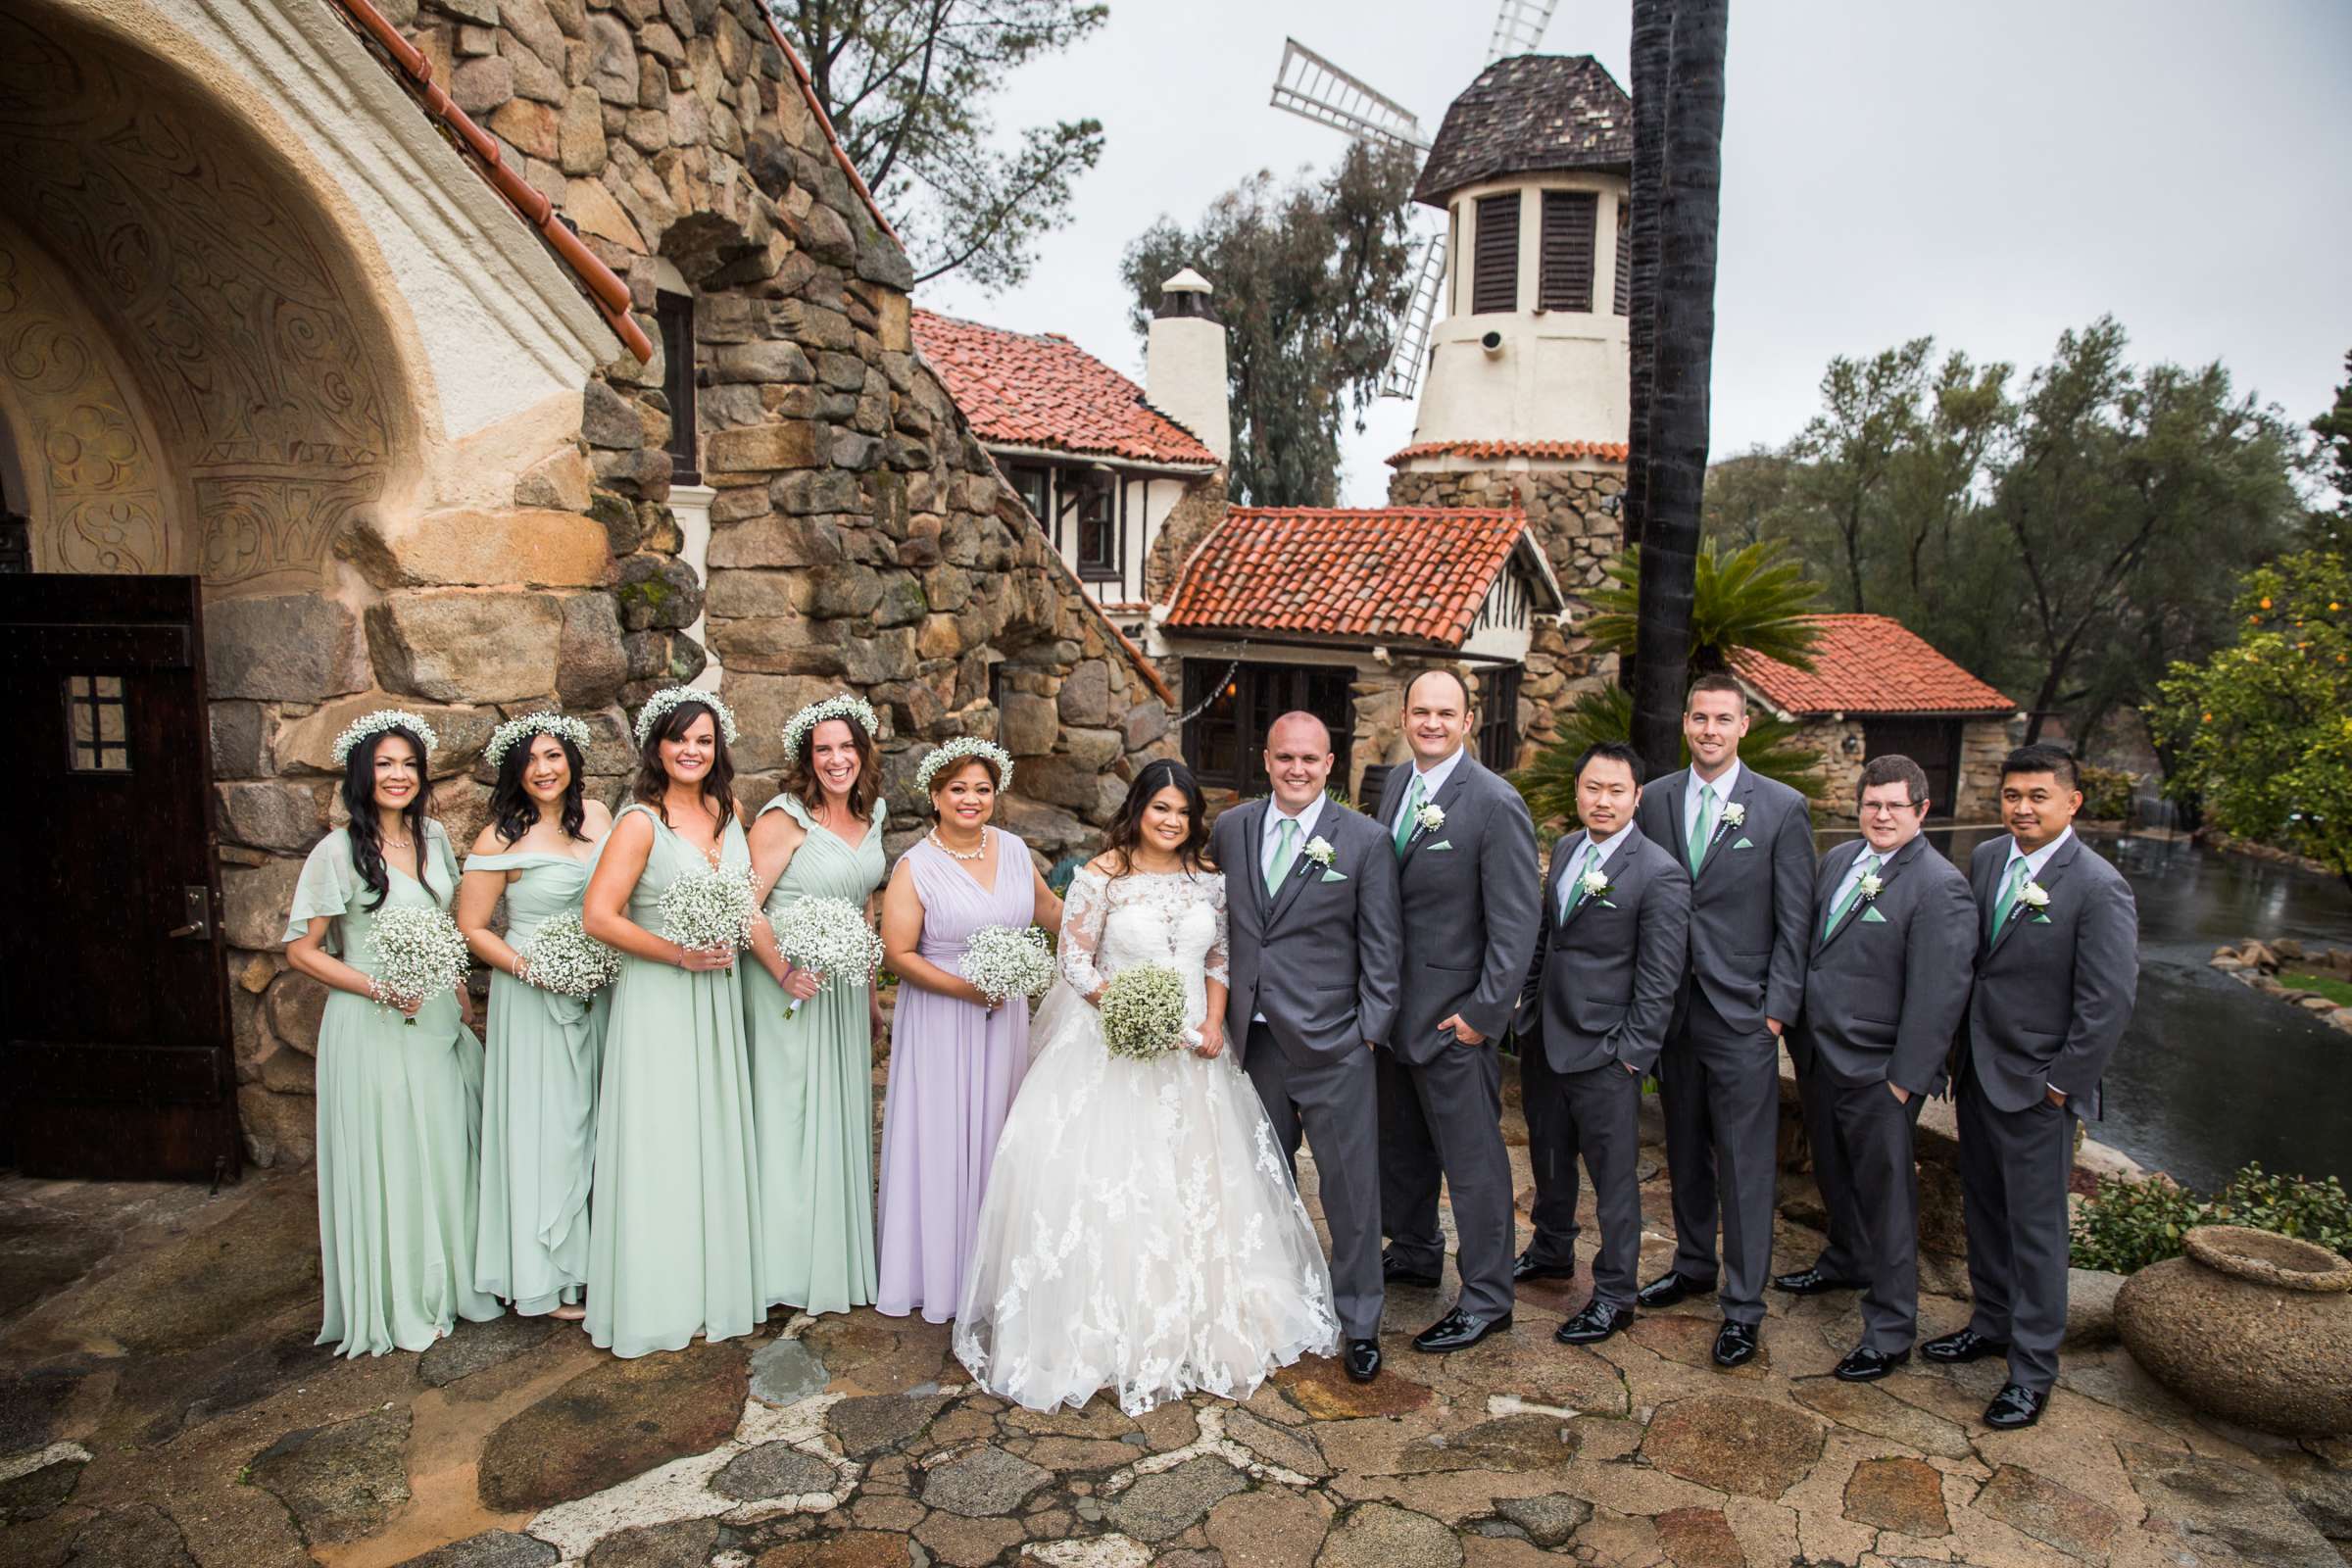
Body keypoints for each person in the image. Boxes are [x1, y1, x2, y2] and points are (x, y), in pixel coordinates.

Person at [955, 760, 1339, 1413]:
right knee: (1113, 1183)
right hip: (1113, 1047)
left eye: (1183, 813)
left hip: (1196, 1053)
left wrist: (1213, 1022)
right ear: (1139, 809)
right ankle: (1104, 1324)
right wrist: (1132, 1010)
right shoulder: (1100, 875)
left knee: (1201, 1180)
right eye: (1160, 808)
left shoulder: (1209, 880)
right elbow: (1074, 959)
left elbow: (1220, 955)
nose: (1170, 821)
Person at [1927, 745, 2136, 1429]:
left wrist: (2060, 1087)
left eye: (2038, 796)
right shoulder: (1989, 859)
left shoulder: (2099, 887)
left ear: (2071, 802)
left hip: (2038, 1088)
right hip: (1980, 1073)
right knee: (1983, 1210)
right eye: (2012, 795)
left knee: (2037, 1233)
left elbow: (2107, 1002)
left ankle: (2032, 1371)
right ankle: (1989, 1323)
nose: (2022, 808)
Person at [284, 710, 500, 1356]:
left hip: (434, 1015)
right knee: (394, 1155)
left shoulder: (433, 837)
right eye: (384, 764)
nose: (398, 775)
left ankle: (456, 1282)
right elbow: (302, 949)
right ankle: (404, 1297)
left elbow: (447, 923)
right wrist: (374, 984)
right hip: (371, 1021)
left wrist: (459, 990)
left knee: (443, 1147)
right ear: (361, 773)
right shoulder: (337, 851)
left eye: (408, 764)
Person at [1209, 712, 1401, 1385]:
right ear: (1266, 760)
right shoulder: (1231, 829)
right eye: (1285, 757)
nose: (1297, 769)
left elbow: (1383, 945)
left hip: (1334, 1045)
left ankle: (1361, 1323)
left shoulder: (1366, 840)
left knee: (1351, 1193)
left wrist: (1367, 1032)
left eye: (1310, 760)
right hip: (1251, 1042)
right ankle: (1275, 1309)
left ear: (1330, 764)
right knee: (1262, 1183)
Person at [1632, 673, 1814, 1368]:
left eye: (1723, 719)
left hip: (1742, 1015)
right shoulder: (1658, 803)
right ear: (1685, 724)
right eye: (1700, 718)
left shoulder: (1781, 808)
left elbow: (1796, 920)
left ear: (1745, 727)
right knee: (1681, 1148)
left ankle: (1743, 1308)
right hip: (1672, 1010)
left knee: (1744, 1165)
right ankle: (1691, 1264)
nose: (1710, 730)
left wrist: (1776, 1012)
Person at [580, 688, 764, 1356]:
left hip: (716, 995)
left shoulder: (727, 813)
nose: (692, 751)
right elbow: (599, 916)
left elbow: (747, 905)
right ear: (657, 746)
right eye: (680, 738)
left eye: (704, 741)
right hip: (660, 995)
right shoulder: (640, 822)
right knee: (661, 1140)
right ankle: (657, 1295)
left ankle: (712, 1287)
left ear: (718, 750)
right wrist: (678, 954)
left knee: (708, 1133)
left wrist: (783, 968)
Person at [1784, 755, 1976, 1382]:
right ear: (1858, 806)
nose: (1882, 815)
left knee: (1888, 1199)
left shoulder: (1939, 885)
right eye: (1872, 804)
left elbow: (1938, 994)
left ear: (1922, 810)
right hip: (1819, 1051)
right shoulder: (1839, 861)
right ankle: (1844, 1259)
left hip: (1878, 1069)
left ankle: (1890, 1329)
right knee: (1835, 1173)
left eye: (1895, 805)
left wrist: (1903, 1080)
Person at [1373, 668, 1540, 1354]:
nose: (1432, 723)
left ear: (1468, 721)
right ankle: (1414, 1250)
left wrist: (1483, 1014)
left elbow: (1517, 921)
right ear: (1404, 717)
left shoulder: (1495, 803)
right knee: (1403, 1151)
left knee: (1473, 1165)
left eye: (1446, 713)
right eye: (1421, 711)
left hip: (1454, 1023)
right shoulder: (1392, 787)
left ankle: (1488, 1296)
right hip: (1392, 1015)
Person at [875, 738, 1063, 1323]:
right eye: (958, 789)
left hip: (1001, 1019)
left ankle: (994, 1267)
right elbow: (898, 953)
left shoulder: (1012, 849)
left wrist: (1121, 904)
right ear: (935, 795)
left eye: (982, 789)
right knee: (942, 1132)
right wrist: (967, 990)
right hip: (940, 1015)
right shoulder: (915, 866)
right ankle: (939, 1272)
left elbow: (1053, 912)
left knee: (998, 1133)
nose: (971, 799)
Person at [1515, 742, 1690, 1347]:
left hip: (1608, 1053)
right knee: (1549, 1155)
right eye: (1593, 788)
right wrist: (1527, 1009)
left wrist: (1631, 1057)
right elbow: (1548, 938)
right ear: (1578, 791)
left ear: (1637, 797)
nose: (1603, 800)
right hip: (1546, 1036)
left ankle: (1615, 1294)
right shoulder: (1566, 849)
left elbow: (1660, 977)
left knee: (1614, 1182)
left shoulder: (1660, 872)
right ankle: (1551, 1250)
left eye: (1616, 790)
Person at [456, 712, 611, 1323]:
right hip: (534, 993)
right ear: (514, 773)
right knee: (546, 1128)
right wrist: (531, 970)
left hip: (597, 989)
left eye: (553, 756)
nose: (544, 770)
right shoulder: (499, 838)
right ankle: (544, 1276)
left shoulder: (598, 818)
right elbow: (471, 928)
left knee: (596, 1123)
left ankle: (599, 1262)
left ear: (570, 758)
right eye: (530, 762)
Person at [743, 695, 889, 1317]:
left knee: (838, 1113)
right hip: (788, 987)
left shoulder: (872, 814)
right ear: (807, 757)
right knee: (789, 1117)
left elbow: (866, 905)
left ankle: (833, 1255)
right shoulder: (783, 818)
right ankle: (781, 1267)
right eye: (823, 749)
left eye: (846, 748)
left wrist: (873, 992)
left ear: (863, 754)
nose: (836, 760)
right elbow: (745, 907)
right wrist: (783, 970)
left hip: (845, 989)